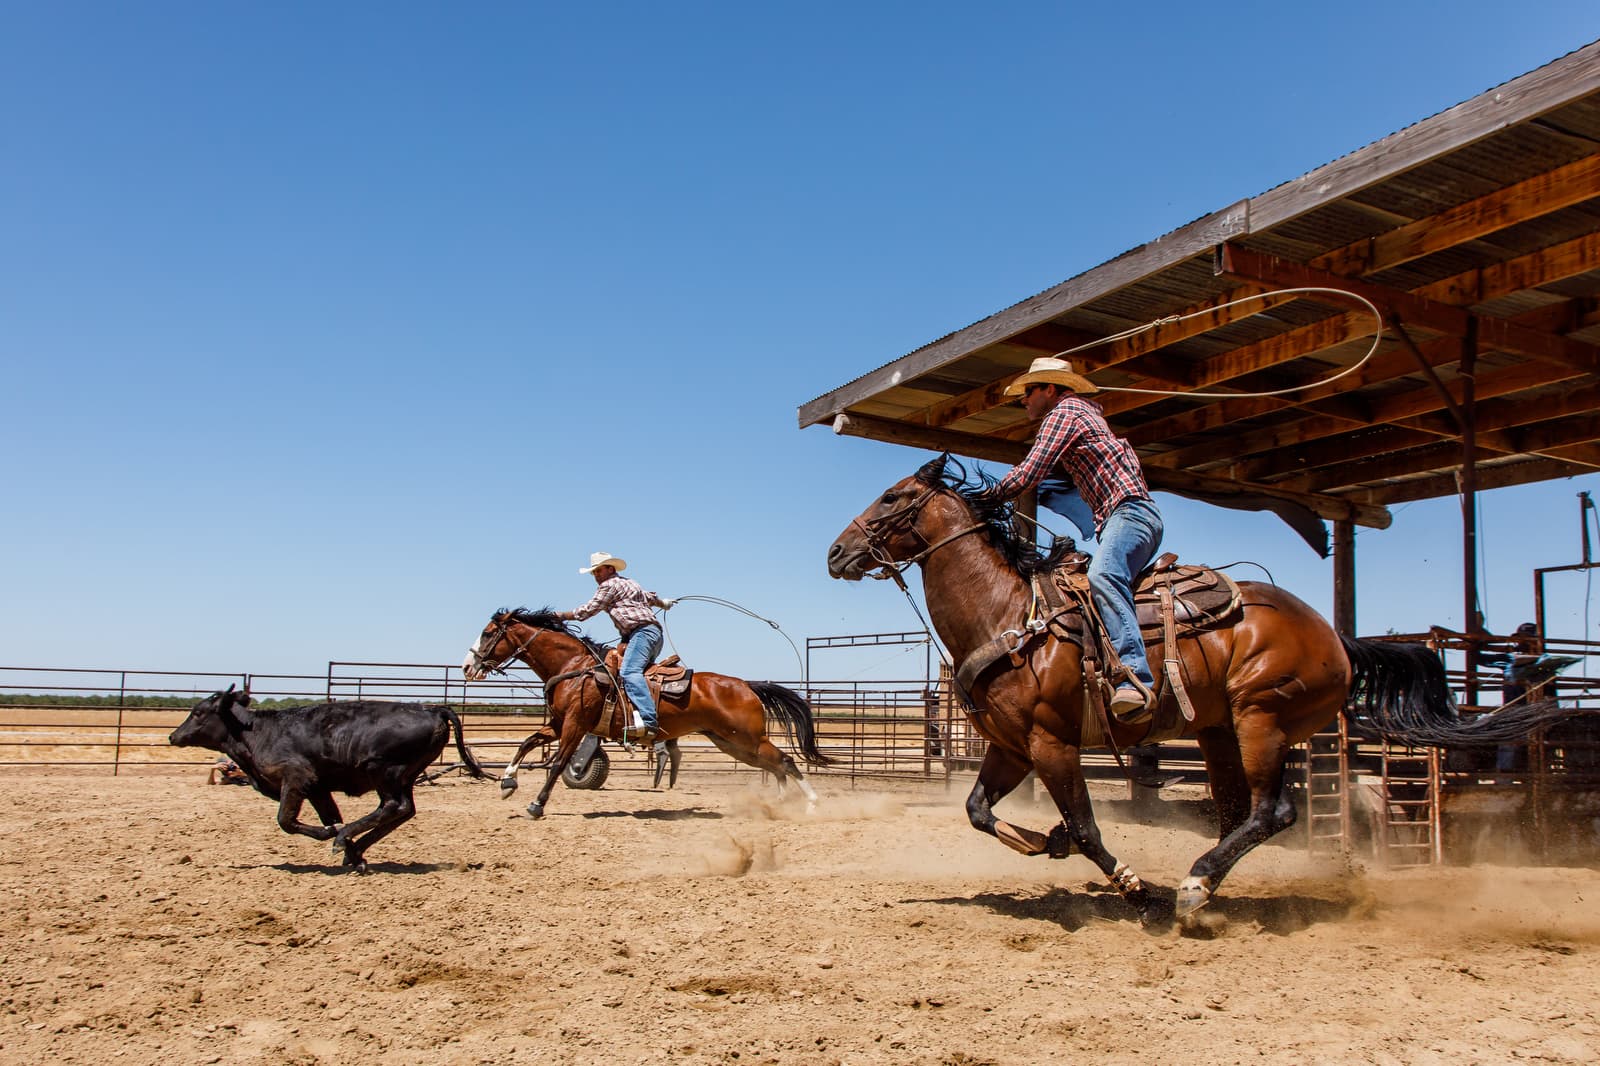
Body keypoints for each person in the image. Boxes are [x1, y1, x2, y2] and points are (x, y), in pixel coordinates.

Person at [970, 356, 1165, 724]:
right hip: (1121, 516)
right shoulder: (1082, 415)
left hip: (1130, 515)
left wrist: (986, 498)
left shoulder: (1065, 412)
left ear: (1050, 389)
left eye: (1029, 392)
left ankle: (1134, 678)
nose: (1023, 400)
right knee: (1044, 485)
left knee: (1104, 577)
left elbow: (1031, 468)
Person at [555, 552, 676, 741]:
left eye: (598, 570)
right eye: (593, 572)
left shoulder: (608, 585)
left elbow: (588, 610)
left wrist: (561, 616)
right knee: (631, 674)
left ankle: (648, 720)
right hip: (649, 634)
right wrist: (664, 603)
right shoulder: (631, 582)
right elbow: (650, 598)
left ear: (610, 569)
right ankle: (629, 716)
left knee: (629, 672)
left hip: (641, 634)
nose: (596, 575)